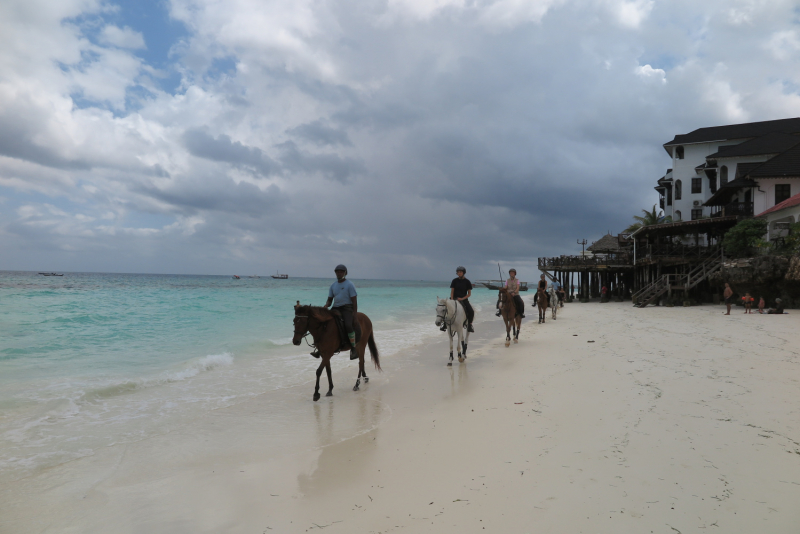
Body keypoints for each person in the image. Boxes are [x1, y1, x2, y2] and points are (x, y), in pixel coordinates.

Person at [321, 264, 359, 360]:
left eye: (341, 271)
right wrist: (326, 305)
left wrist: (354, 314)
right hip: (336, 308)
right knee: (323, 322)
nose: (339, 273)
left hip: (347, 308)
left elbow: (354, 301)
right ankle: (320, 346)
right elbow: (330, 299)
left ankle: (353, 348)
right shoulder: (333, 285)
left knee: (348, 325)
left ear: (345, 273)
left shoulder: (349, 284)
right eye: (337, 271)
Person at [444, 266, 474, 333]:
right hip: (454, 299)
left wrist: (462, 298)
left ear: (463, 273)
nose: (459, 273)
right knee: (445, 309)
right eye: (458, 272)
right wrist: (452, 300)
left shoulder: (467, 282)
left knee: (471, 311)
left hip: (463, 299)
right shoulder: (454, 281)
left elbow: (469, 294)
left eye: (460, 272)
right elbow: (452, 291)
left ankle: (470, 325)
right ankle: (444, 325)